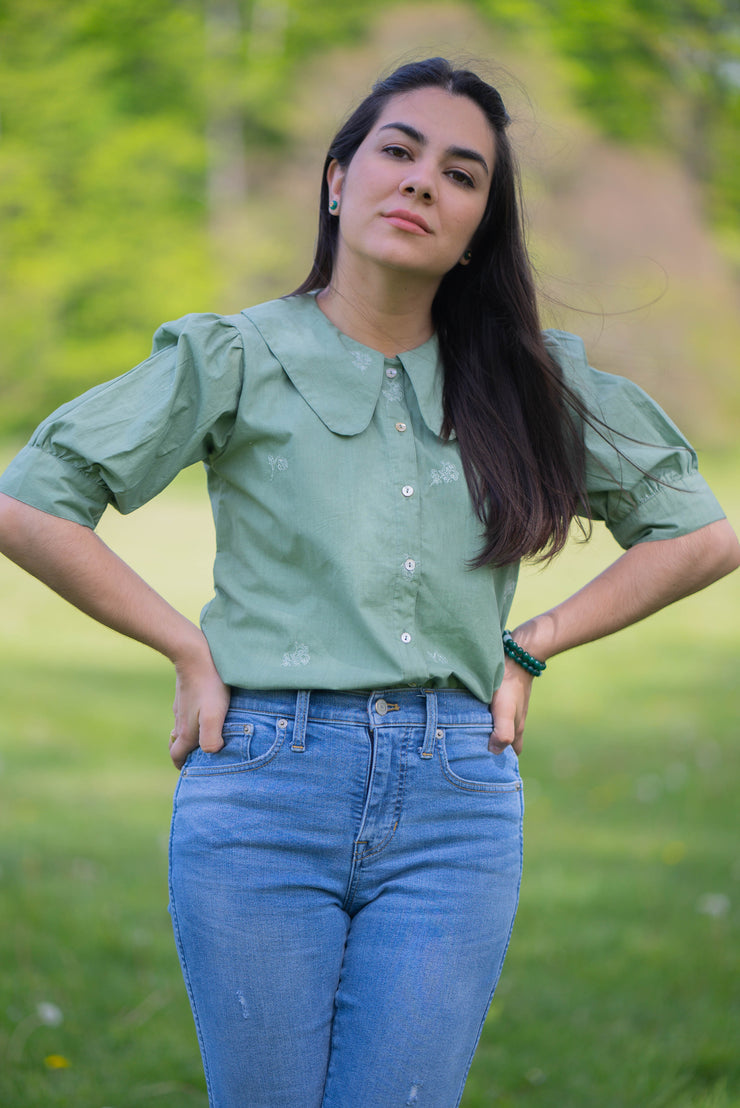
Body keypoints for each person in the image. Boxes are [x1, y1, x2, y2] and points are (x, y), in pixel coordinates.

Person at [0, 56, 737, 1108]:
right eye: (397, 151)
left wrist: (530, 643)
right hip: (260, 784)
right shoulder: (237, 356)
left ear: (479, 225)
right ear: (338, 178)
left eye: (460, 172)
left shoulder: (533, 377)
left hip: (456, 805)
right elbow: (30, 503)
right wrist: (186, 645)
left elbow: (696, 534)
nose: (421, 182)